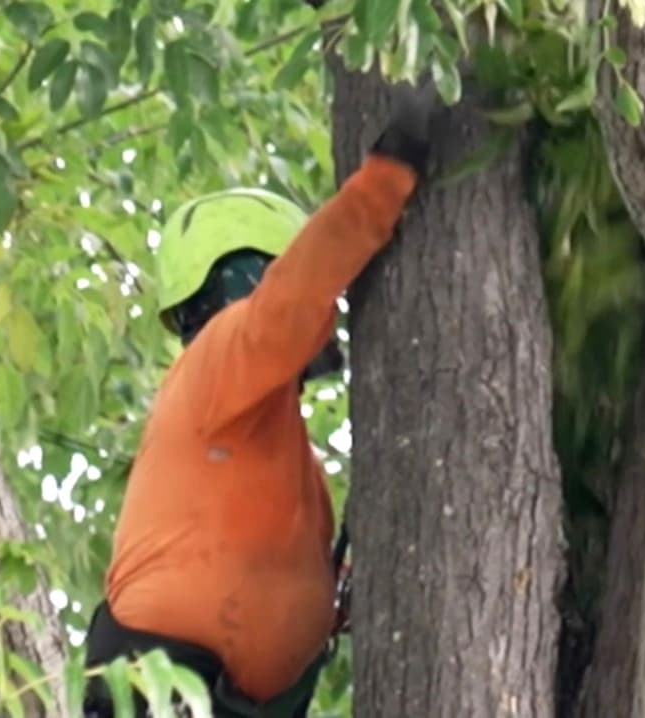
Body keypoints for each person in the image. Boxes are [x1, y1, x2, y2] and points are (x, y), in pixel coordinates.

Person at [82, 82, 437, 718]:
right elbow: (292, 303)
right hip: (165, 686)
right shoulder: (220, 355)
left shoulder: (269, 436)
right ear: (252, 276)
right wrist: (387, 177)